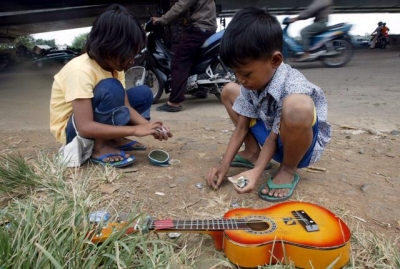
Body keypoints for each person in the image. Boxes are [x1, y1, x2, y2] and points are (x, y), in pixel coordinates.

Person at [207, 7, 331, 202]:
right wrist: (224, 164)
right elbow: (241, 127)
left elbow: (273, 139)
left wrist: (256, 174)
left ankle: (288, 169)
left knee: (297, 106)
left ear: (275, 60)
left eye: (246, 74)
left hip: (297, 146)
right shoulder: (251, 82)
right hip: (272, 137)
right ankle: (253, 154)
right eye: (236, 73)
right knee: (229, 91)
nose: (242, 80)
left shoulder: (292, 86)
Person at [50, 4, 172, 168]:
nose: (132, 60)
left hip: (90, 121)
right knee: (111, 88)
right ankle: (99, 147)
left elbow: (126, 106)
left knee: (143, 93)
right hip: (74, 131)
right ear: (110, 46)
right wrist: (134, 130)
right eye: (129, 53)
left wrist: (148, 127)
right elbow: (84, 126)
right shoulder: (80, 70)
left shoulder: (114, 66)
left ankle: (115, 139)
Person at [152, 0, 217, 112]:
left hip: (199, 28)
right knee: (194, 59)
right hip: (206, 27)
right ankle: (199, 90)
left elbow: (181, 6)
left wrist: (162, 20)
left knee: (179, 60)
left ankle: (174, 102)